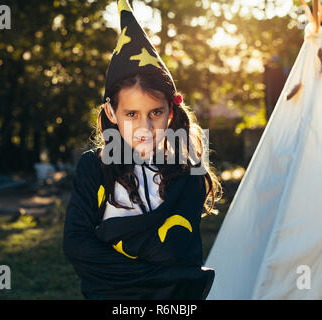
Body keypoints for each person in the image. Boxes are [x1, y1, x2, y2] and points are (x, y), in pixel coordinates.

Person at [63, 0, 222, 300]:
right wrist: (162, 275)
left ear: (171, 111)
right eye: (131, 114)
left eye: (155, 113)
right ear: (112, 113)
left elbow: (177, 249)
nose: (145, 128)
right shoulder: (94, 167)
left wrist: (111, 237)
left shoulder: (189, 170)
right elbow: (76, 246)